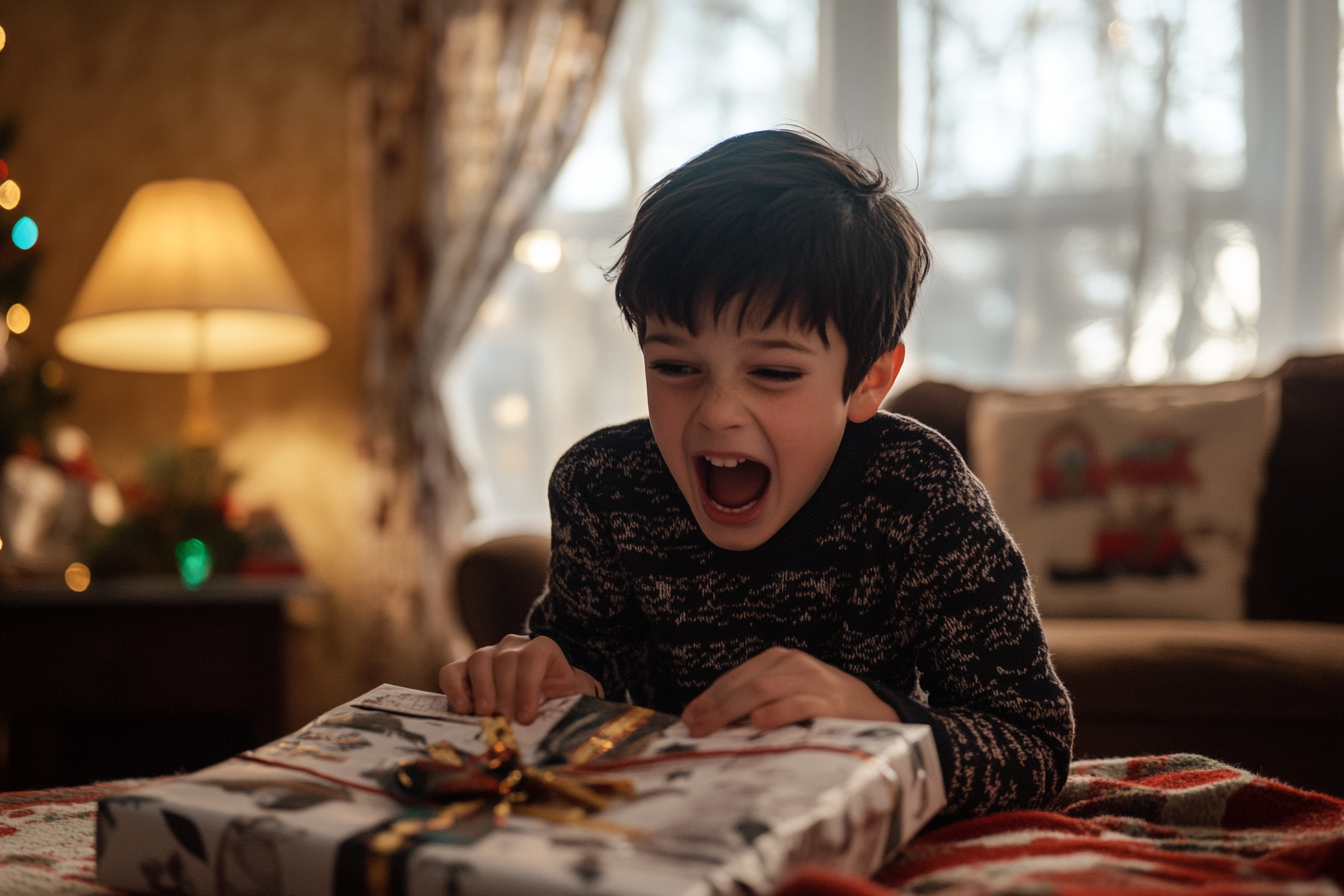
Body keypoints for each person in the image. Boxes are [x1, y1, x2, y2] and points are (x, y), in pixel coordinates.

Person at [440, 129, 1073, 819]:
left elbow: (1035, 745)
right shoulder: (601, 487)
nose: (716, 416)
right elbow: (584, 669)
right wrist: (547, 677)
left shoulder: (919, 493)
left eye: (773, 373)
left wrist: (880, 719)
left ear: (870, 379)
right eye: (675, 367)